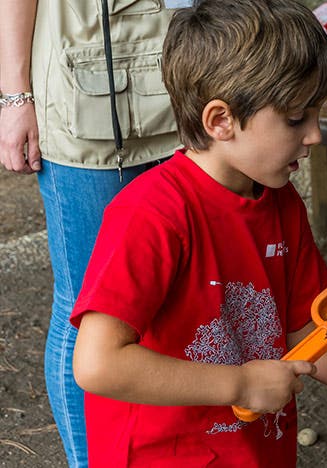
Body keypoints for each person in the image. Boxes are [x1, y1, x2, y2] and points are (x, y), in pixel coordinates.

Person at [69, 0, 327, 466]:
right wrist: (239, 384)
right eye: (296, 118)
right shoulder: (151, 214)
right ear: (221, 121)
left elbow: (306, 326)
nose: (316, 136)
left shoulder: (281, 201)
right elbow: (98, 363)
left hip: (253, 451)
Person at [0, 1, 180, 465]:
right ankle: (91, 459)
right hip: (84, 93)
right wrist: (14, 98)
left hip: (189, 75)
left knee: (180, 292)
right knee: (86, 304)